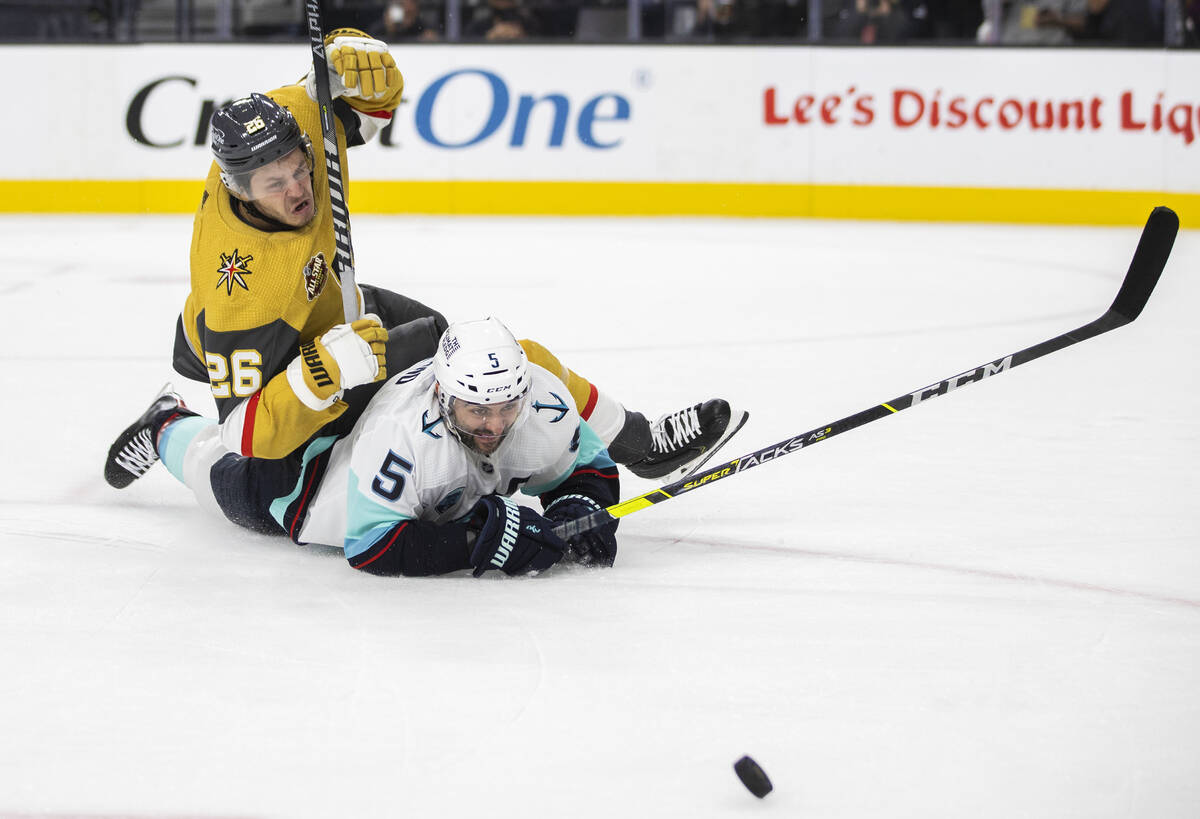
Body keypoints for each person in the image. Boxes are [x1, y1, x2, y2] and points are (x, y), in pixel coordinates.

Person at [158, 26, 747, 491]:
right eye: (274, 184)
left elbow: (370, 105)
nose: (298, 190)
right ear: (238, 190)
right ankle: (164, 425)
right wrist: (323, 373)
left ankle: (638, 441)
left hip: (333, 309)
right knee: (261, 477)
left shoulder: (299, 121)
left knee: (470, 349)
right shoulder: (245, 293)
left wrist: (357, 65)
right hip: (284, 345)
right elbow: (244, 434)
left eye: (299, 168)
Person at [106, 318, 621, 578]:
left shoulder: (543, 401)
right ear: (442, 394)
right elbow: (372, 546)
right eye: (476, 411)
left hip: (369, 423)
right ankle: (165, 422)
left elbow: (586, 468)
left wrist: (583, 507)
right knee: (221, 477)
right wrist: (479, 539)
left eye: (506, 408)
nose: (493, 425)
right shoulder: (400, 437)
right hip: (309, 489)